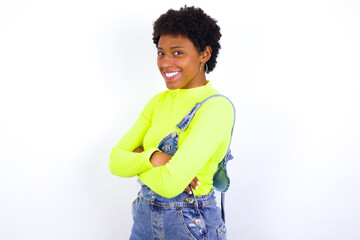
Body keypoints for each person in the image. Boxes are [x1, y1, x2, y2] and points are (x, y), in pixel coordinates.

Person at [109, 6, 234, 240]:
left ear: (204, 54)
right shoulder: (158, 102)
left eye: (177, 53)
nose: (165, 63)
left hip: (190, 224)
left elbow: (170, 184)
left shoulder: (215, 107)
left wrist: (137, 158)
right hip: (144, 221)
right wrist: (154, 157)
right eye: (161, 53)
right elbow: (115, 162)